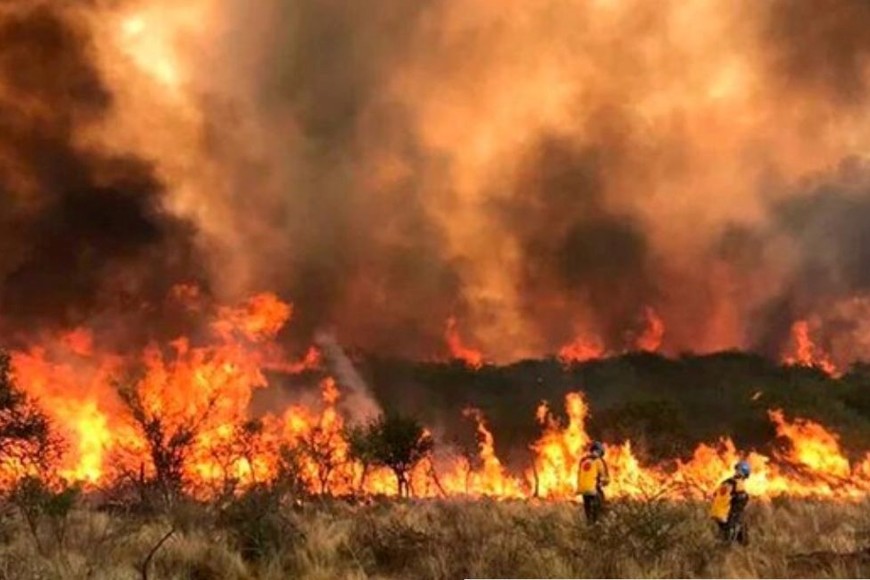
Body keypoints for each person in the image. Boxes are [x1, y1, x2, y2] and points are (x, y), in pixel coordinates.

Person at [710, 460, 751, 545]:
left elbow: (715, 494)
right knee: (732, 536)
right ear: (745, 474)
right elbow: (741, 501)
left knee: (722, 533)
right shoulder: (739, 483)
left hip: (717, 512)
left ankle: (719, 545)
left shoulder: (725, 482)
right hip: (729, 514)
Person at [577, 441, 609, 524]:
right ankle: (596, 521)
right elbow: (604, 476)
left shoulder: (583, 460)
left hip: (582, 489)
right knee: (601, 500)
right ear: (600, 452)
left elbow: (580, 474)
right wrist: (604, 482)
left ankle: (588, 521)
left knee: (587, 504)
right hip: (592, 488)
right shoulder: (598, 461)